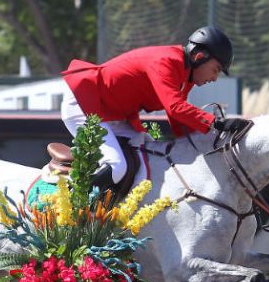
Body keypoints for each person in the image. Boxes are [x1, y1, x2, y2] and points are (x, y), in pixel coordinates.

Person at [61, 25, 244, 190]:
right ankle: (71, 206)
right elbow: (175, 107)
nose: (214, 78)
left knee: (147, 150)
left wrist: (202, 144)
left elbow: (178, 121)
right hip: (84, 105)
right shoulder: (167, 61)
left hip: (110, 114)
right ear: (199, 57)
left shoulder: (186, 76)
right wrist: (217, 123)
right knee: (117, 166)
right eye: (216, 69)